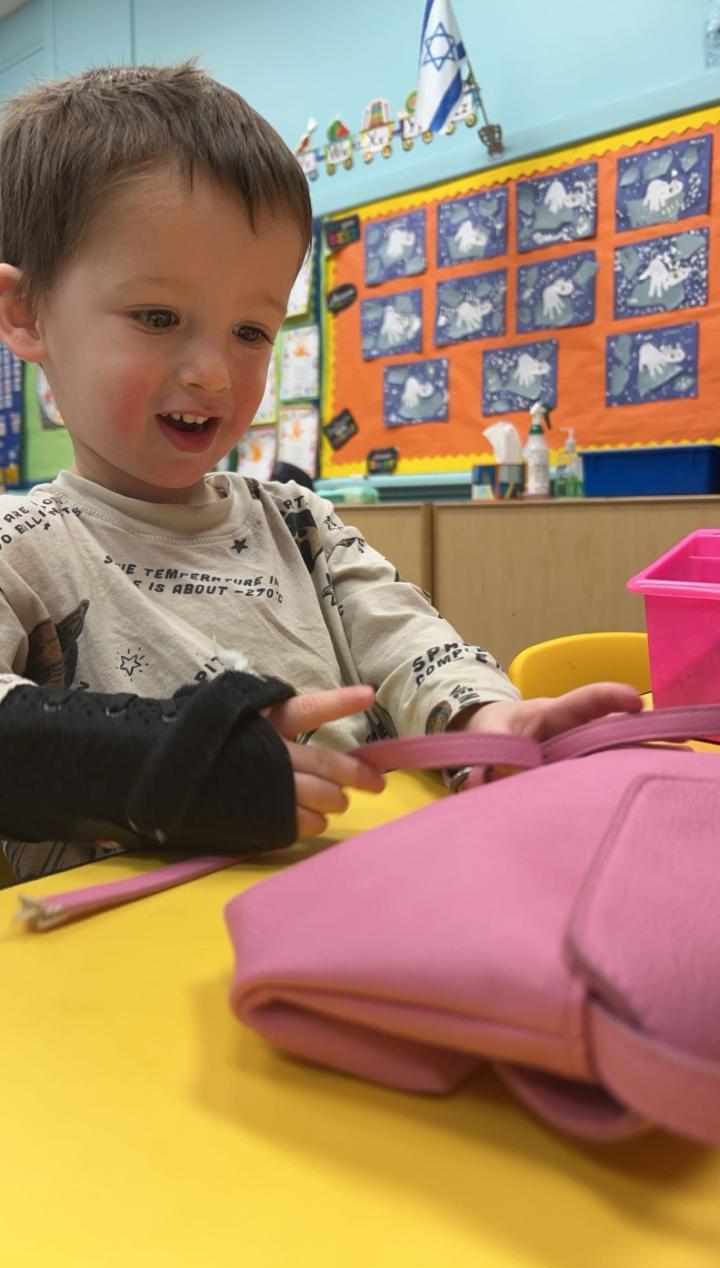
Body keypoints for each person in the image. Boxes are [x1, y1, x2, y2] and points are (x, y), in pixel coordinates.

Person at [0, 63, 641, 882]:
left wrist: (489, 721)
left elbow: (408, 640)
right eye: (158, 317)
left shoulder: (300, 524)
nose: (213, 373)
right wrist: (167, 761)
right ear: (26, 314)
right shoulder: (23, 549)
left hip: (350, 894)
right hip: (120, 941)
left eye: (251, 331)